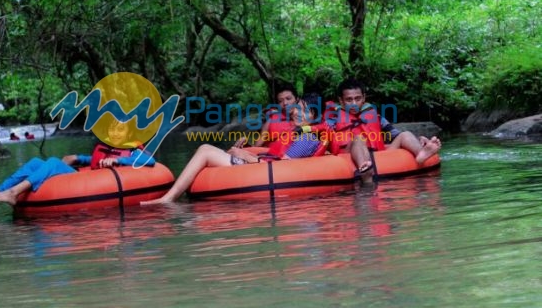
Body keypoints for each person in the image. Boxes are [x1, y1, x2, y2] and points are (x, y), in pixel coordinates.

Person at [142, 95, 324, 205]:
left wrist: (246, 156)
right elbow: (275, 155)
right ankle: (174, 195)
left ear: (315, 116)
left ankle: (169, 197)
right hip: (260, 166)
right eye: (296, 109)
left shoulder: (307, 137)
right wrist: (246, 152)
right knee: (213, 151)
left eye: (303, 111)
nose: (295, 113)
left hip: (261, 171)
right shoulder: (300, 133)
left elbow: (283, 168)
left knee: (205, 149)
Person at [0, 120, 154, 213]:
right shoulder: (106, 146)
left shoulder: (132, 149)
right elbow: (94, 161)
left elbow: (149, 161)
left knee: (51, 162)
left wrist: (118, 161)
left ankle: (13, 193)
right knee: (35, 163)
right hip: (84, 177)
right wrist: (79, 157)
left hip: (100, 184)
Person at [328, 78, 441, 183]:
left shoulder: (375, 117)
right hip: (349, 156)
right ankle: (365, 170)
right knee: (359, 138)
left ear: (364, 98)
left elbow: (395, 135)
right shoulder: (333, 120)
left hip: (379, 157)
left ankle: (421, 152)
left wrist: (418, 139)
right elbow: (323, 144)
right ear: (341, 101)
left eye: (357, 98)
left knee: (405, 134)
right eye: (349, 100)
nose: (354, 103)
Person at [236, 80, 299, 148]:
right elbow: (256, 146)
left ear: (296, 99)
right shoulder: (272, 119)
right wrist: (246, 145)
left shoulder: (306, 118)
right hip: (268, 155)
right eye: (280, 101)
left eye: (288, 98)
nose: (285, 103)